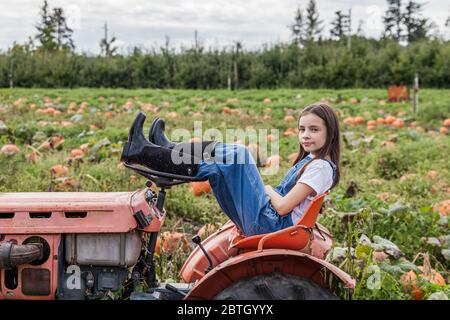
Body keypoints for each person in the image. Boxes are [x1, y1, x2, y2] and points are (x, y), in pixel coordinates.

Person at [121, 103, 341, 236]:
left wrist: (267, 189)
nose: (305, 135)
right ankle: (167, 151)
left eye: (314, 129)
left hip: (272, 224)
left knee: (239, 155)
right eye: (302, 129)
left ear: (329, 133)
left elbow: (283, 207)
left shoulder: (320, 168)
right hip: (269, 221)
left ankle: (152, 153)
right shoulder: (314, 161)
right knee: (222, 167)